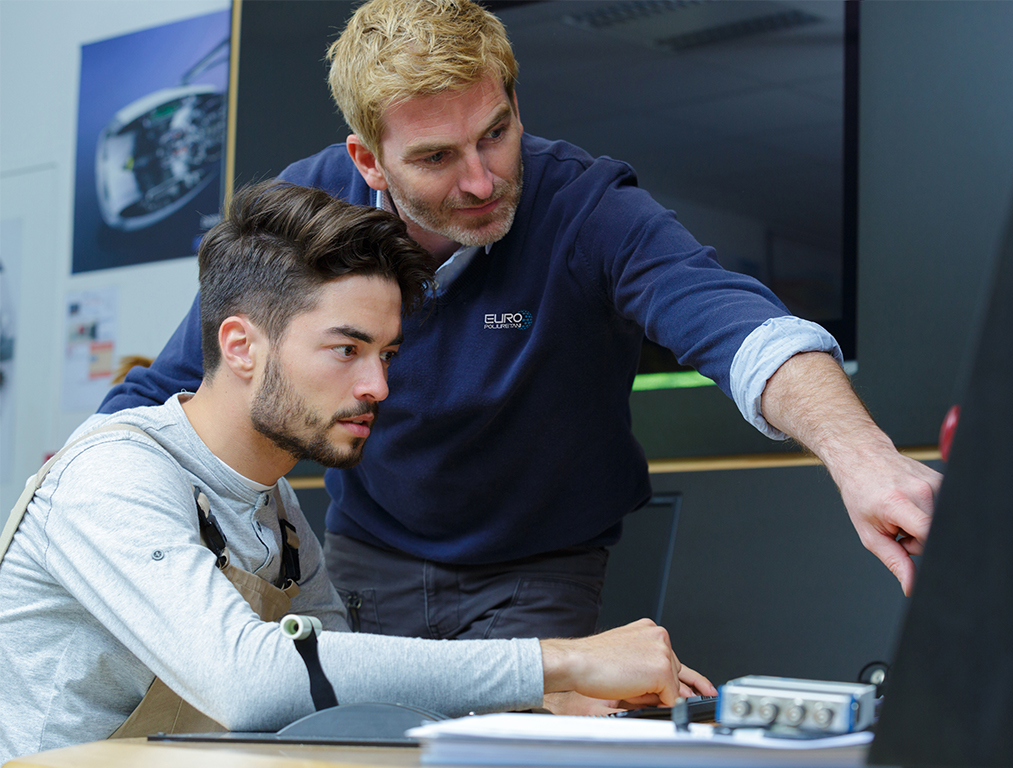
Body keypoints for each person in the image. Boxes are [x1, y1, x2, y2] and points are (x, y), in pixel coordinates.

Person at [99, 0, 942, 643]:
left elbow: (737, 325)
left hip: (538, 571)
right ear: (369, 161)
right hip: (363, 559)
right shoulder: (307, 211)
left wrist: (862, 459)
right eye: (435, 157)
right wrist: (75, 506)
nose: (481, 181)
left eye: (495, 134)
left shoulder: (584, 204)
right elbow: (178, 384)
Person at [0, 181, 715, 764]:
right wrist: (561, 663)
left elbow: (340, 693)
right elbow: (247, 679)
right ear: (241, 346)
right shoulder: (115, 475)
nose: (378, 385)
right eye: (347, 350)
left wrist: (537, 704)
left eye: (389, 355)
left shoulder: (272, 512)